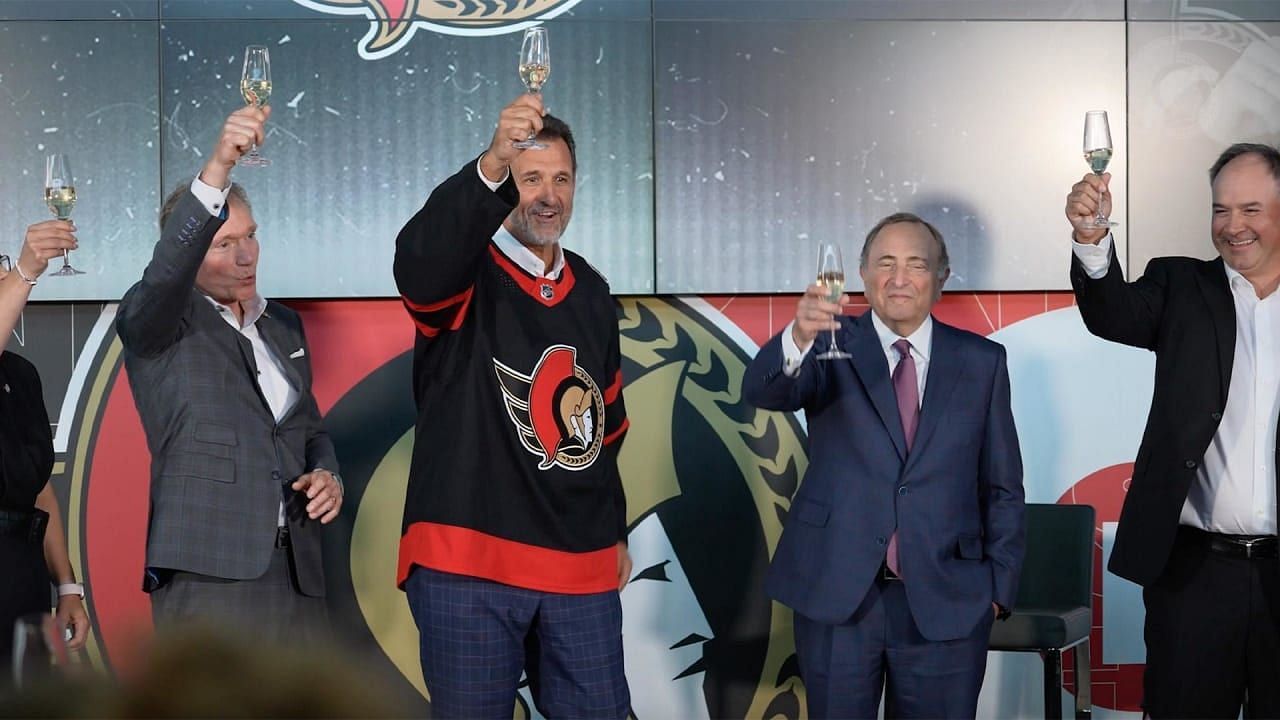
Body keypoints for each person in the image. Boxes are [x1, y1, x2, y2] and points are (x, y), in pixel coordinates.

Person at [393, 93, 631, 719]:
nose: (548, 195)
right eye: (530, 179)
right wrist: (493, 160)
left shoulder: (594, 291)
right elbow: (418, 261)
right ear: (505, 185)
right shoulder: (464, 271)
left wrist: (613, 532)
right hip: (467, 560)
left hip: (579, 565)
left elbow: (606, 430)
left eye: (561, 178)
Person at [742, 213, 1025, 719]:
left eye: (916, 265)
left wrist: (997, 592)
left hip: (948, 600)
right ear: (863, 274)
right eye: (885, 263)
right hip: (839, 595)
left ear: (941, 278)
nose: (899, 278)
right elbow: (765, 390)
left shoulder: (982, 362)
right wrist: (797, 337)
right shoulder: (831, 347)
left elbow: (1002, 484)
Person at [1067, 143, 1280, 717]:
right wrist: (1091, 239)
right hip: (1194, 575)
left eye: (1251, 209)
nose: (1233, 226)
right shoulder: (1182, 287)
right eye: (1221, 209)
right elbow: (1111, 312)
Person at [115, 105, 342, 643]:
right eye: (223, 243)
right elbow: (166, 268)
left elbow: (308, 429)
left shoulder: (283, 326)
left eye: (250, 236)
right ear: (191, 253)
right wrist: (218, 167)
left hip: (298, 575)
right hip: (209, 573)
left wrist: (328, 474)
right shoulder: (158, 320)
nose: (246, 257)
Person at [0, 223, 89, 682]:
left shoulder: (22, 374)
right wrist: (29, 269)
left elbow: (40, 491)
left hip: (23, 578)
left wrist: (68, 586)